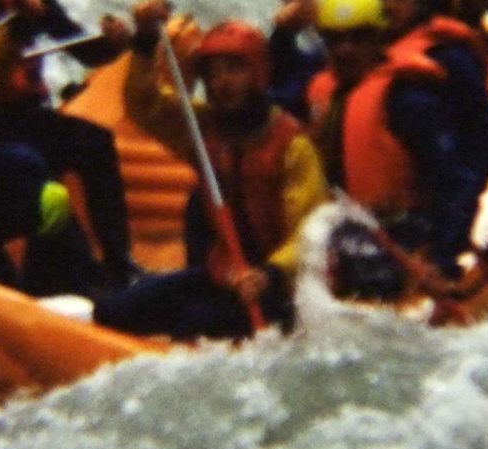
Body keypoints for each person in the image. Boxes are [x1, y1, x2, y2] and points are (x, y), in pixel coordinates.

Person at [92, 1, 329, 339]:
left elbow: (309, 233)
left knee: (192, 324)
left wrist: (270, 274)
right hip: (225, 275)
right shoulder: (204, 128)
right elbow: (146, 106)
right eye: (214, 74)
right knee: (111, 312)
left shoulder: (292, 144)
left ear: (258, 73)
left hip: (277, 287)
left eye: (235, 69)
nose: (222, 82)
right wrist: (143, 42)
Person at [0, 0, 142, 295]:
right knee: (30, 162)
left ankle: (119, 262)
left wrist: (115, 41)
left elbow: (86, 49)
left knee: (93, 141)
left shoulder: (27, 4)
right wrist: (7, 33)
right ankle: (46, 273)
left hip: (21, 116)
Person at [305, 0, 488, 298]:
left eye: (358, 38)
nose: (345, 50)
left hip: (405, 233)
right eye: (335, 40)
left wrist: (442, 258)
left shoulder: (407, 99)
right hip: (345, 230)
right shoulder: (322, 92)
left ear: (379, 39)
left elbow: (454, 183)